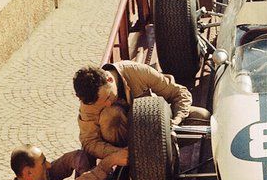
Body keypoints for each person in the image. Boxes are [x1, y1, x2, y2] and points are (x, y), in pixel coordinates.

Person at [73, 62, 209, 163]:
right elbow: (89, 142)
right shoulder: (88, 103)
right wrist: (118, 154)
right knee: (111, 114)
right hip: (125, 148)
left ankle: (167, 150)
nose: (107, 104)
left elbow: (179, 93)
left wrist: (177, 119)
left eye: (108, 97)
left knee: (202, 118)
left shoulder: (138, 72)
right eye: (101, 104)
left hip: (157, 129)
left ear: (109, 79)